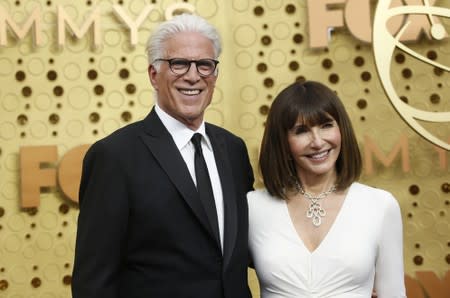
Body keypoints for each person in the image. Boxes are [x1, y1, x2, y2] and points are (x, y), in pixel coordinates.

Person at [72, 13, 254, 298]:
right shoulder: (114, 157)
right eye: (179, 63)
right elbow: (93, 282)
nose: (193, 76)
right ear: (154, 75)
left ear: (215, 75)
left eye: (204, 65)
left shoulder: (233, 150)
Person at [248, 80, 406, 297]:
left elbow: (393, 294)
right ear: (282, 141)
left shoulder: (380, 205)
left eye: (326, 125)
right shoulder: (253, 207)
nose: (317, 142)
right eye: (301, 130)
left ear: (341, 129)